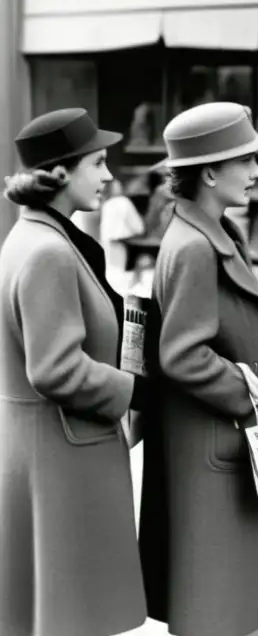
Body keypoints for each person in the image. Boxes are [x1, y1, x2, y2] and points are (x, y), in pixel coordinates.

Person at [139, 102, 258, 636]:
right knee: (213, 602)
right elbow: (181, 353)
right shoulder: (196, 246)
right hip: (213, 444)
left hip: (219, 440)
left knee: (223, 600)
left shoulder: (210, 233)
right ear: (209, 171)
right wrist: (245, 390)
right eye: (247, 160)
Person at [0, 109, 147, 636]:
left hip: (47, 453)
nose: (108, 176)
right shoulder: (48, 252)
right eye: (99, 163)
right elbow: (56, 369)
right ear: (60, 173)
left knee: (52, 612)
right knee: (71, 614)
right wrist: (138, 390)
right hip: (65, 458)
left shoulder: (34, 239)